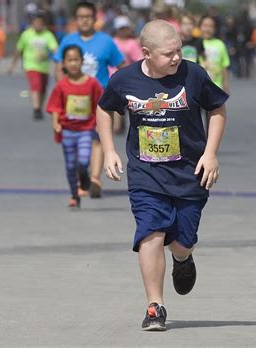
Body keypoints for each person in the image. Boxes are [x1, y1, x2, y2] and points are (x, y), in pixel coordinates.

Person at [96, 19, 228, 331]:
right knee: (150, 233)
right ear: (146, 53)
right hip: (146, 174)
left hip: (189, 174)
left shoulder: (193, 74)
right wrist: (110, 150)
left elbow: (217, 110)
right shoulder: (125, 80)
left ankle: (183, 259)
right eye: (168, 54)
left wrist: (210, 153)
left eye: (179, 51)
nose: (176, 58)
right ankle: (155, 306)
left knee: (181, 242)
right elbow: (104, 109)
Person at [54, 1, 125, 198]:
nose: (84, 20)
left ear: (95, 19)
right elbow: (58, 68)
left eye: (88, 16)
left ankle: (94, 179)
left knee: (98, 139)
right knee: (77, 141)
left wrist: (120, 94)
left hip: (100, 100)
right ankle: (81, 178)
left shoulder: (106, 41)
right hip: (73, 103)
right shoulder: (67, 40)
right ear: (76, 19)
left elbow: (121, 65)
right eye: (80, 17)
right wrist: (62, 93)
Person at [46, 45, 103, 208]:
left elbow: (100, 104)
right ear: (63, 63)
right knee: (71, 165)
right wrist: (55, 123)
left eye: (76, 60)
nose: (73, 64)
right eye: (69, 60)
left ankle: (85, 178)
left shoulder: (92, 83)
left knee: (83, 161)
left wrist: (100, 123)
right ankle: (74, 194)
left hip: (85, 130)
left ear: (82, 61)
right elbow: (56, 107)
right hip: (67, 131)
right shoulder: (61, 86)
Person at [8, 12, 58, 120]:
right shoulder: (26, 34)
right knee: (36, 85)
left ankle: (39, 106)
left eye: (40, 23)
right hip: (30, 65)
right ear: (32, 23)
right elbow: (18, 50)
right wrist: (12, 65)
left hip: (44, 66)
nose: (38, 25)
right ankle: (36, 109)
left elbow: (55, 49)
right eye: (36, 23)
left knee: (43, 88)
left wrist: (56, 60)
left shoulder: (47, 35)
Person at [199, 15, 230, 93]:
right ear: (200, 26)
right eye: (205, 25)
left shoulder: (220, 44)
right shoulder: (195, 43)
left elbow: (224, 66)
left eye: (211, 26)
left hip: (216, 85)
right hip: (198, 86)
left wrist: (226, 84)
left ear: (215, 29)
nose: (207, 29)